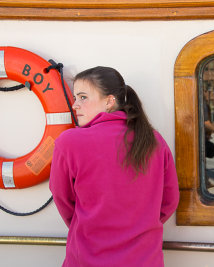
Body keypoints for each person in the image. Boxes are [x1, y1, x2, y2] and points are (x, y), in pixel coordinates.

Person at [49, 66, 180, 267]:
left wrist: (86, 226)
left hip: (87, 259)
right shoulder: (154, 140)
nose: (75, 105)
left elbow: (63, 199)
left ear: (109, 101)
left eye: (83, 97)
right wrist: (137, 227)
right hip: (145, 260)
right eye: (75, 98)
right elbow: (170, 201)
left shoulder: (69, 142)